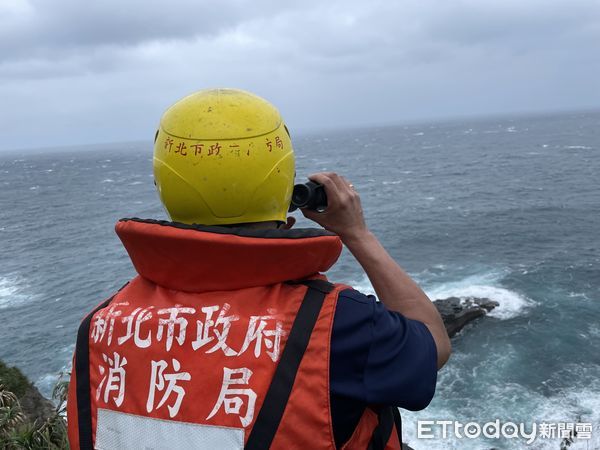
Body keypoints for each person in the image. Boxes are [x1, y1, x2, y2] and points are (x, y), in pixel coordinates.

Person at [67, 88, 451, 450]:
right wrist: (358, 233)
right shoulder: (338, 325)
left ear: (163, 183)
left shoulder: (99, 326)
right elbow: (433, 346)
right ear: (285, 187)